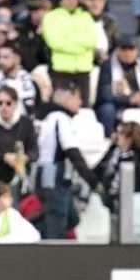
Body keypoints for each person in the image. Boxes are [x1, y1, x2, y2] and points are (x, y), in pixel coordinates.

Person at [34, 83, 102, 239]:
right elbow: (72, 151)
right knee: (56, 223)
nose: (80, 102)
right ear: (67, 99)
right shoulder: (60, 118)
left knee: (71, 218)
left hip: (40, 174)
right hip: (54, 177)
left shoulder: (43, 117)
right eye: (78, 98)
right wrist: (92, 180)